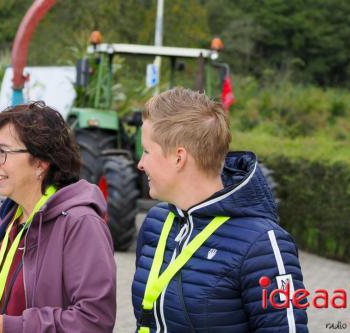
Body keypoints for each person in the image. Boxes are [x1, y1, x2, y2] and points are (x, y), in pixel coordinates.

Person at [132, 88, 308, 332]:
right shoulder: (156, 223)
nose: (140, 163)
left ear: (178, 158)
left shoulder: (264, 244)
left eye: (147, 151)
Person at [0, 101, 116, 333]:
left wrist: (13, 327)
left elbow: (95, 321)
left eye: (3, 152)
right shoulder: (3, 217)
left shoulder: (80, 224)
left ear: (40, 163)